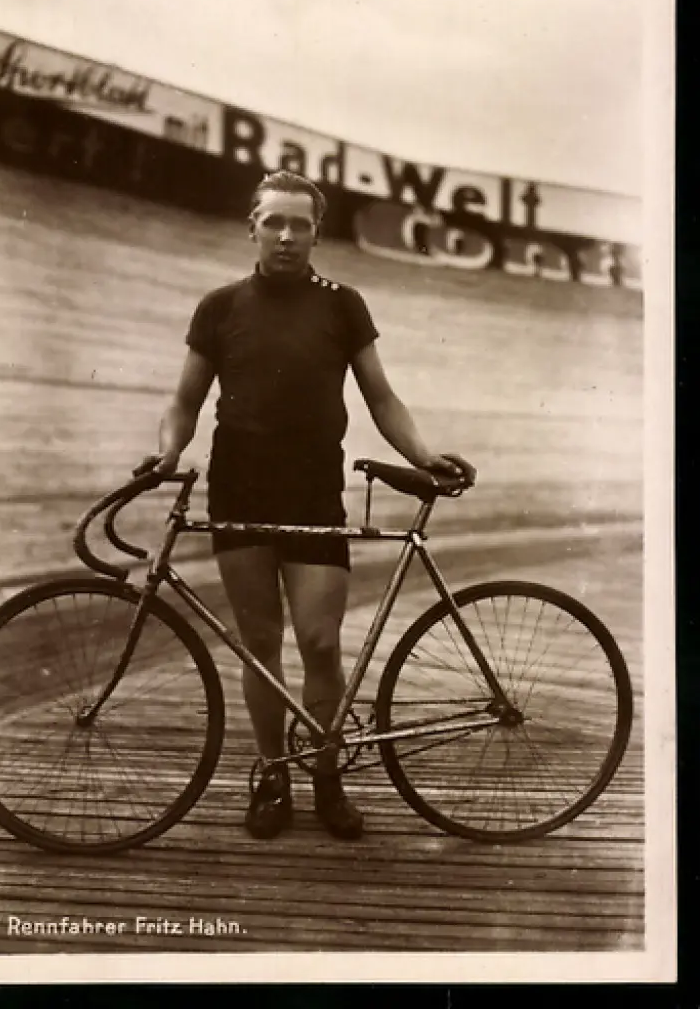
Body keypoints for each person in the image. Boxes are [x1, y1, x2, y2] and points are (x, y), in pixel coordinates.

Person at [144, 170, 476, 842]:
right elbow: (184, 402)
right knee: (260, 645)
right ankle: (273, 775)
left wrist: (423, 455)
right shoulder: (219, 307)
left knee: (320, 643)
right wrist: (167, 451)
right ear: (253, 227)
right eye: (273, 222)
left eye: (300, 224)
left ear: (317, 233)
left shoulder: (342, 305)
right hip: (239, 485)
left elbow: (381, 398)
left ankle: (327, 773)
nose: (286, 236)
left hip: (313, 488)